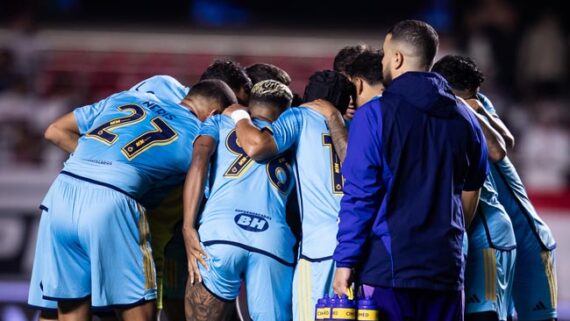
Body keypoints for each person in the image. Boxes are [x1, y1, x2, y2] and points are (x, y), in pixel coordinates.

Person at [28, 79, 236, 321]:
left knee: (71, 307)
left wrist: (97, 164)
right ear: (213, 114)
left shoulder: (125, 97)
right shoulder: (199, 134)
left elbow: (54, 130)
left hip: (61, 193)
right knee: (140, 313)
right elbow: (208, 185)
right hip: (114, 200)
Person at [332, 20, 489, 321]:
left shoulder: (373, 115)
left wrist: (345, 262)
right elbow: (474, 179)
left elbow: (360, 196)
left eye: (384, 55)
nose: (382, 62)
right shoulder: (465, 118)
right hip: (446, 268)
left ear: (397, 58)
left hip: (389, 269)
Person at [227, 70, 353, 321]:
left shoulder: (299, 116)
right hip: (356, 244)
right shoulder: (352, 128)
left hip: (318, 249)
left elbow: (259, 148)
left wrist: (238, 115)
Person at [182, 80, 295, 321]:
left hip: (221, 232)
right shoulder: (292, 134)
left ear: (250, 105)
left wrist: (188, 226)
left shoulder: (219, 121)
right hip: (272, 240)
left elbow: (199, 161)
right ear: (285, 111)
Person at [433, 55, 517, 321]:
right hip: (468, 232)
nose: (478, 101)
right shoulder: (441, 108)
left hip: (488, 234)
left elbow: (502, 147)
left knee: (484, 315)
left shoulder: (469, 106)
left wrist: (466, 106)